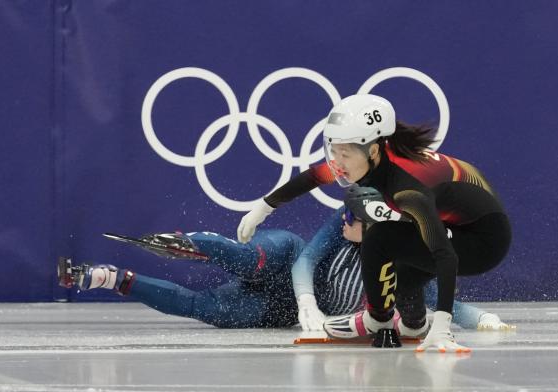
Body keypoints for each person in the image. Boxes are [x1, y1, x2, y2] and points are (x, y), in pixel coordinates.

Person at [236, 94, 511, 351]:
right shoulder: (371, 157)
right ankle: (413, 323)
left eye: (344, 154)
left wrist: (442, 328)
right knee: (399, 275)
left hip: (484, 240)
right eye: (334, 151)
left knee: (380, 236)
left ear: (374, 151)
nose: (337, 163)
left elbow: (445, 255)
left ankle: (377, 320)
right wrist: (263, 207)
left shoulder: (408, 190)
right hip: (459, 217)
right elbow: (314, 177)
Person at [58, 209, 511, 332]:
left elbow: (444, 306)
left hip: (277, 308)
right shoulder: (343, 221)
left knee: (207, 310)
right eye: (351, 217)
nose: (350, 222)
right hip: (288, 263)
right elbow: (308, 261)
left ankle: (111, 278)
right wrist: (309, 302)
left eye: (361, 222)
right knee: (251, 256)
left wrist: (487, 321)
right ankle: (190, 242)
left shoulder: (407, 270)